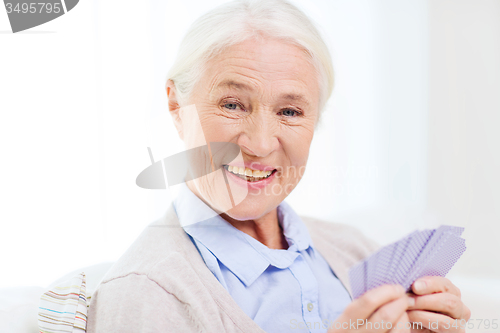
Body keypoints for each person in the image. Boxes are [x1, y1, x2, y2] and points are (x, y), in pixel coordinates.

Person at [87, 0, 470, 332]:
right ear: (176, 107)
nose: (259, 144)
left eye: (290, 111)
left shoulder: (356, 250)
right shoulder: (143, 292)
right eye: (233, 104)